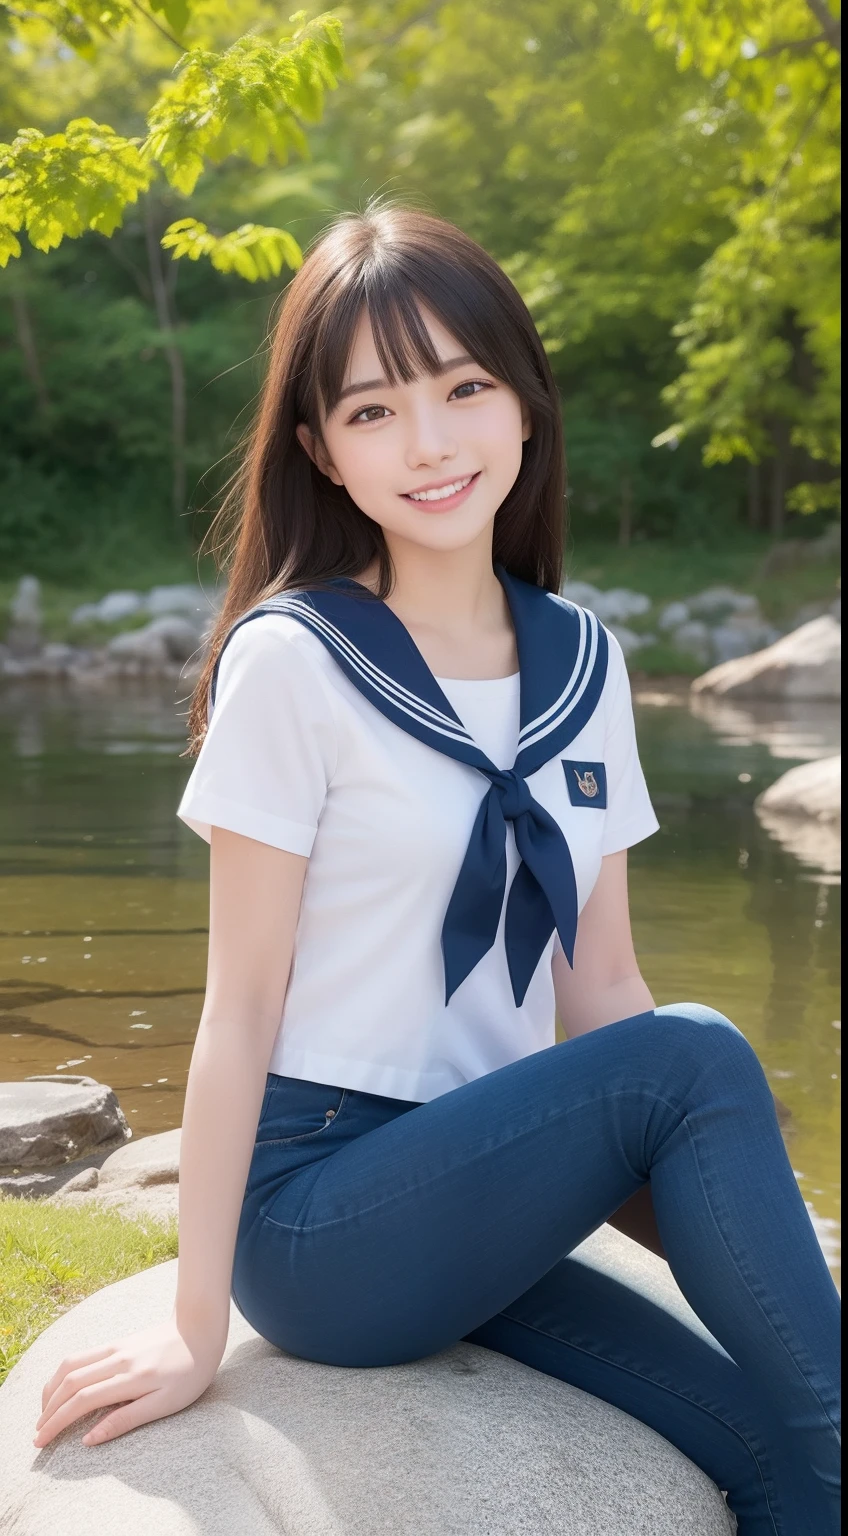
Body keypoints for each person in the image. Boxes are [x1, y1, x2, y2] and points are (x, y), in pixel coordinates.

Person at [34, 206, 840, 1535]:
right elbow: (238, 1010)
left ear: (526, 404)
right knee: (701, 1053)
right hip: (325, 1216)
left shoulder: (584, 665)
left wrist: (756, 1247)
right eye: (373, 410)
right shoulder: (295, 660)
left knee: (797, 1463)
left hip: (490, 1185)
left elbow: (605, 998)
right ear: (321, 451)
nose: (430, 443)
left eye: (466, 388)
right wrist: (194, 1322)